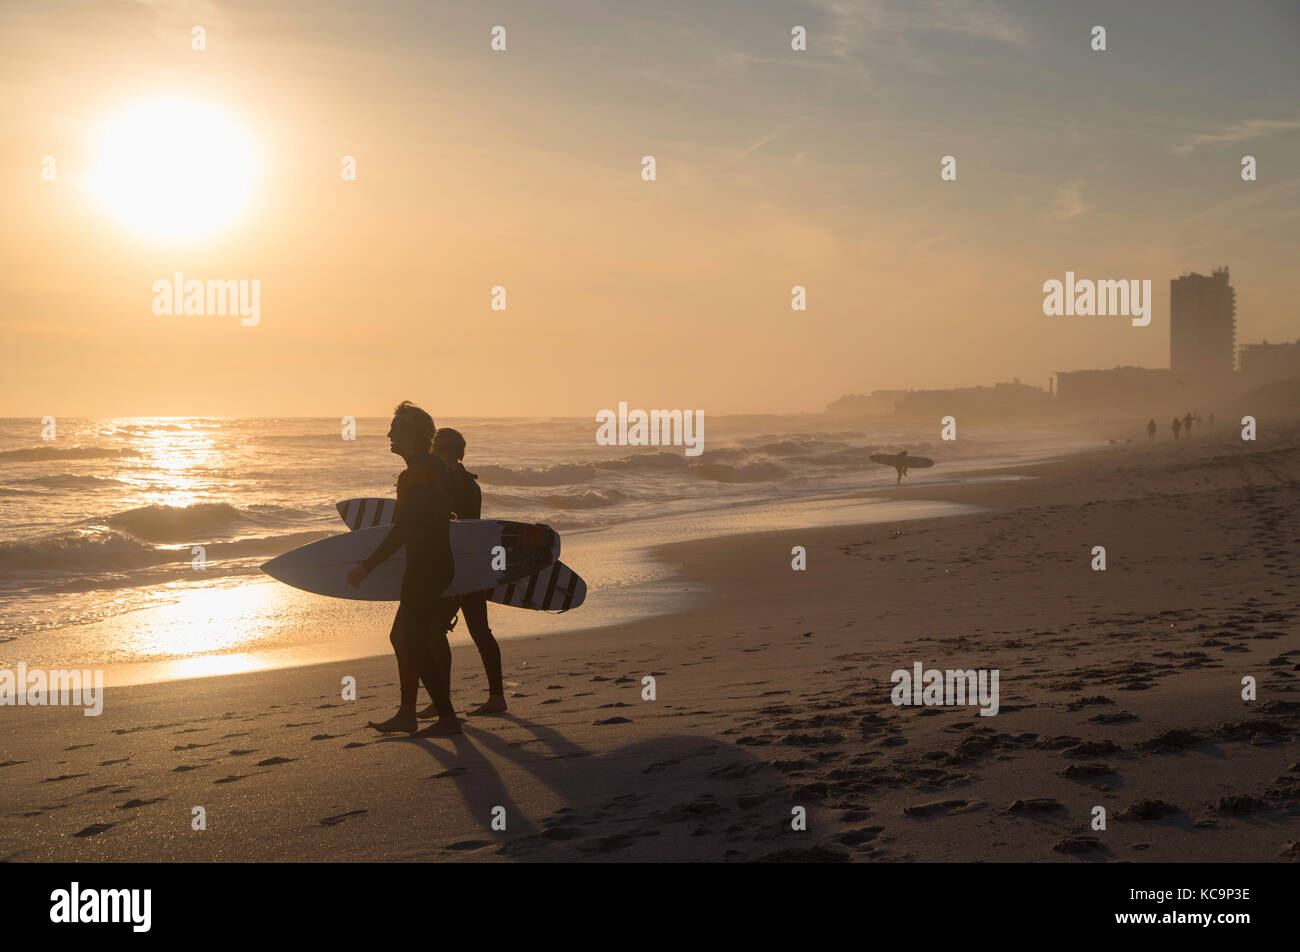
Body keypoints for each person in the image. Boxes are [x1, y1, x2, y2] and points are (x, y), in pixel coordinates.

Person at [347, 401, 461, 737]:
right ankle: (408, 712)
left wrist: (367, 566)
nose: (389, 435)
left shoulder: (417, 475)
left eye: (396, 430)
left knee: (413, 641)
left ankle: (447, 718)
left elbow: (405, 528)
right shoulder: (434, 467)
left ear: (414, 434)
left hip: (427, 568)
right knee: (404, 637)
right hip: (435, 564)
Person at [429, 427, 507, 716]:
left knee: (468, 631)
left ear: (443, 454)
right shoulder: (464, 483)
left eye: (435, 451)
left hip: (461, 569)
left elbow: (460, 531)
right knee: (441, 632)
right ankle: (444, 700)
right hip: (462, 567)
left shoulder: (457, 485)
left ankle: (495, 697)